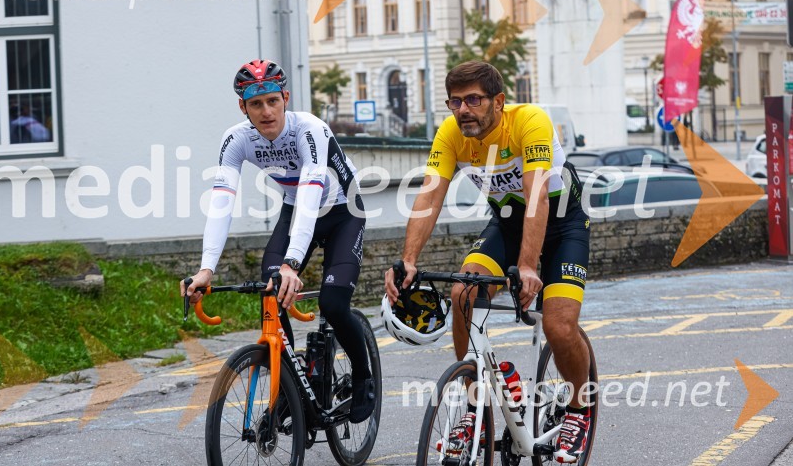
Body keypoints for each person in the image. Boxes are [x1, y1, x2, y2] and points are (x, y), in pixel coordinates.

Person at [383, 61, 592, 463]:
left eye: (474, 100)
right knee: (463, 291)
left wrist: (529, 267)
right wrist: (408, 260)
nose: (464, 110)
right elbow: (429, 197)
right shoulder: (451, 135)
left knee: (559, 325)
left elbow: (537, 196)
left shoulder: (529, 122)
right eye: (455, 101)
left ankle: (579, 410)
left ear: (498, 101)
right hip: (509, 226)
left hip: (563, 226)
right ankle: (475, 403)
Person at [181, 59, 375, 423]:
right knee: (270, 292)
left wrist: (293, 263)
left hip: (342, 211)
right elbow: (221, 202)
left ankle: (364, 378)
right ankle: (288, 385)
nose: (266, 111)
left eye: (273, 101)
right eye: (256, 104)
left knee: (333, 304)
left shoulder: (310, 130)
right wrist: (206, 269)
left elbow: (309, 194)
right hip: (294, 210)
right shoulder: (236, 139)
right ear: (243, 107)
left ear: (286, 97)